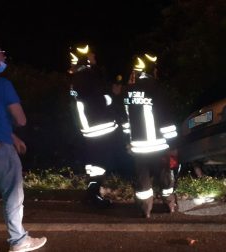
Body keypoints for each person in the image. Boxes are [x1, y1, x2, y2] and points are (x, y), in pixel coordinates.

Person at [0, 38, 47, 252]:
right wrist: (12, 131)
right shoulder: (2, 85)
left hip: (2, 140)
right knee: (12, 195)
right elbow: (21, 119)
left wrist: (11, 136)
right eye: (0, 52)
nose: (3, 57)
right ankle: (18, 240)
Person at [68, 44, 131, 207]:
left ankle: (92, 193)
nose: (94, 57)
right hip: (101, 125)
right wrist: (114, 95)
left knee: (94, 163)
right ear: (86, 59)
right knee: (106, 160)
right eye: (91, 56)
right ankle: (95, 194)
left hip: (87, 128)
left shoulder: (75, 77)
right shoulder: (89, 75)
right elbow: (101, 100)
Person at [124, 53, 178, 218]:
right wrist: (173, 143)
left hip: (138, 146)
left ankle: (145, 209)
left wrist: (128, 141)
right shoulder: (157, 89)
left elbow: (126, 120)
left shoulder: (130, 92)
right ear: (152, 70)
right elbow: (166, 118)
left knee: (143, 180)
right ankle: (170, 204)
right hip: (159, 145)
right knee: (165, 177)